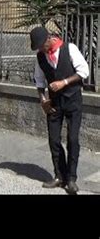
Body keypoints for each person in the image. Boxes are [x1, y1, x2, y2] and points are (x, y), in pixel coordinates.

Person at [30, 26, 90, 194]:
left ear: (49, 38)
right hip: (54, 103)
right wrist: (42, 99)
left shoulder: (69, 48)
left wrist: (63, 82)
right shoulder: (41, 56)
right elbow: (39, 81)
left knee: (72, 139)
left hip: (73, 100)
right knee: (54, 140)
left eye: (42, 45)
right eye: (39, 47)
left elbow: (83, 71)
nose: (41, 49)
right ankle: (59, 176)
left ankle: (71, 179)